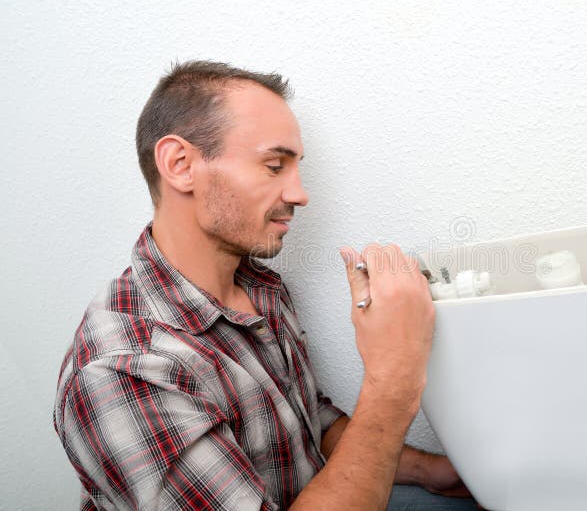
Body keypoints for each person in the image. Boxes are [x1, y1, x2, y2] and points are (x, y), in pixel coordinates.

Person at [53, 60, 480, 510]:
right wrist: (395, 375)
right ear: (180, 165)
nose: (300, 194)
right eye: (275, 166)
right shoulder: (122, 370)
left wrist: (429, 471)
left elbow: (303, 421)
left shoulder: (261, 288)